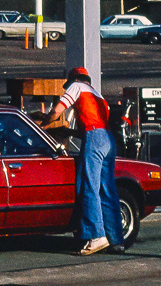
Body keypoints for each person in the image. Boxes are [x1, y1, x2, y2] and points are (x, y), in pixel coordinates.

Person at [46, 67, 122, 255]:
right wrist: (71, 132)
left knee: (89, 186)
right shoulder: (99, 96)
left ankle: (96, 236)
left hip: (94, 138)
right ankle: (116, 239)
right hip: (108, 139)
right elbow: (93, 125)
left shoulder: (76, 87)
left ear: (75, 80)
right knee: (108, 190)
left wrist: (41, 125)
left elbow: (57, 110)